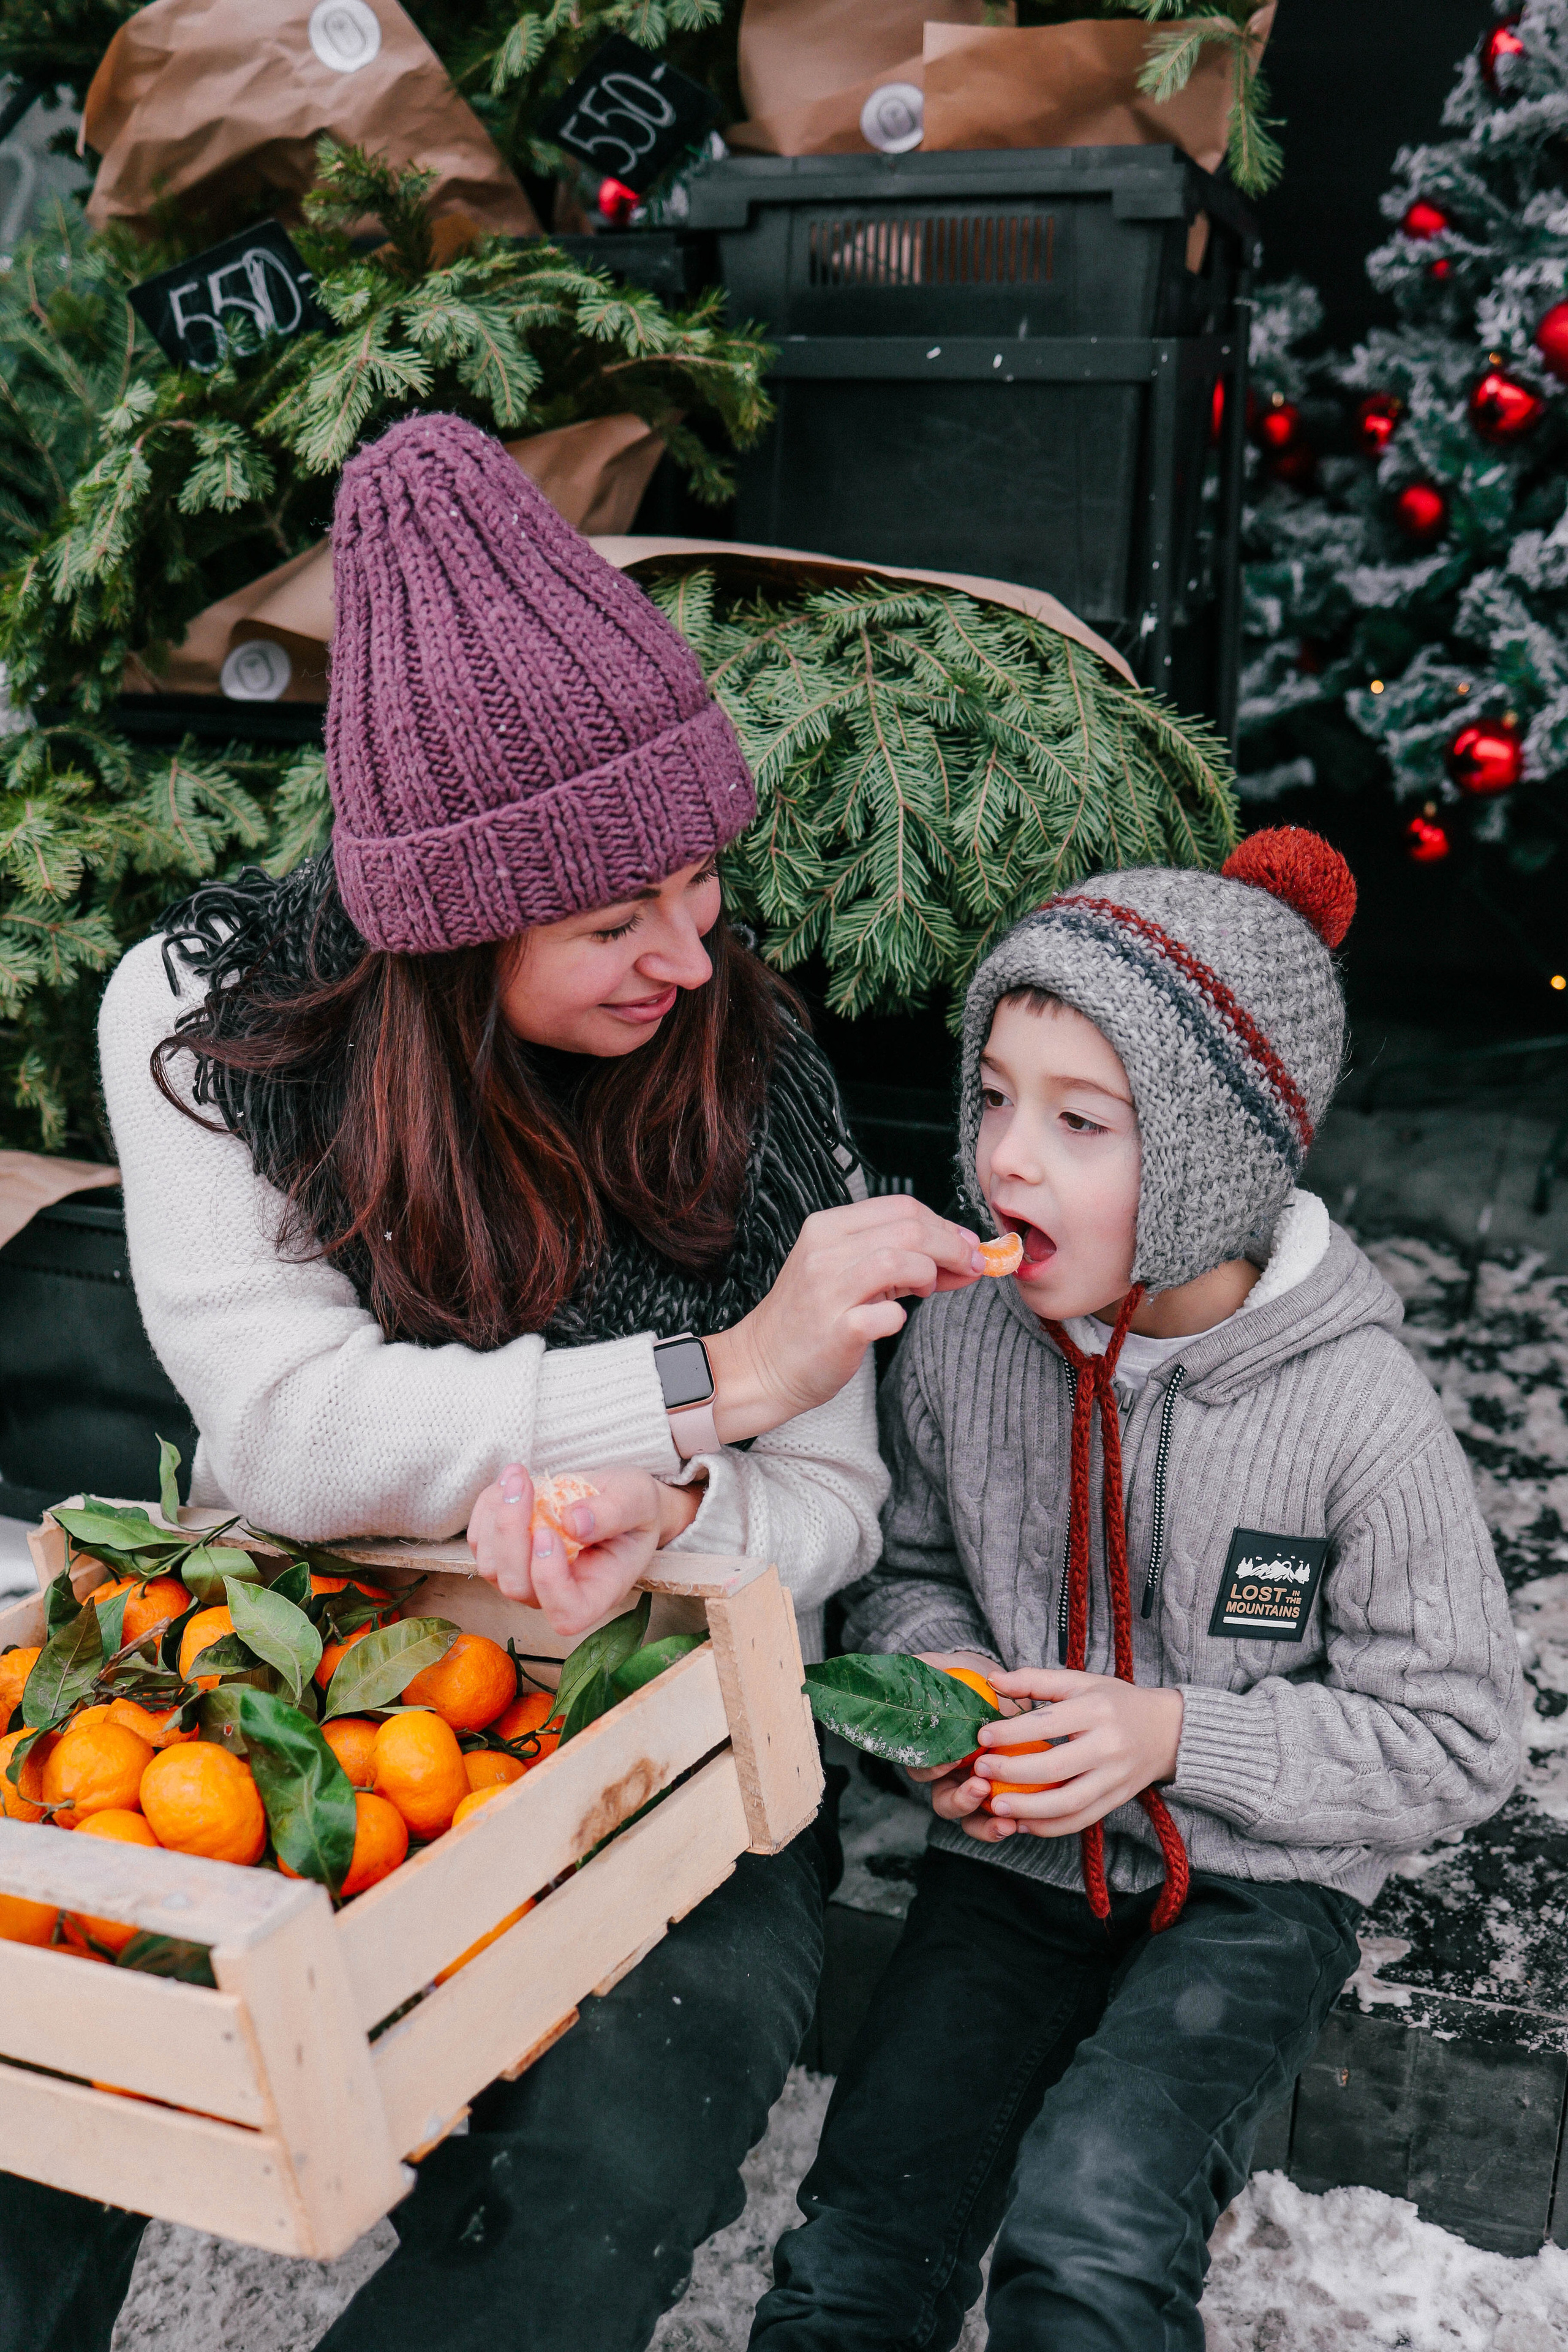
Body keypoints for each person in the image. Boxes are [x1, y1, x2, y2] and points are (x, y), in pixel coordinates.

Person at [0, 413, 989, 2352]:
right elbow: (291, 1437)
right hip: (289, 1658)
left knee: (634, 2123)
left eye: (700, 884)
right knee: (70, 2013)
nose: (686, 957)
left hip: (646, 1704)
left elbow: (834, 1508)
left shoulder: (750, 1068)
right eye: (614, 921)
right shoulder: (213, 1021)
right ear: (446, 937)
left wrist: (672, 1499)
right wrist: (712, 1374)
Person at [749, 829, 1523, 2352]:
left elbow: (1455, 1737)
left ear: (1210, 1162)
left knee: (1090, 2235)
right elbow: (908, 1573)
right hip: (1019, 1867)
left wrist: (1174, 1737)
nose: (1004, 1158)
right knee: (857, 2248)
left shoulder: (1353, 1408)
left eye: (1078, 1122)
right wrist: (949, 1707)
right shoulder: (966, 1339)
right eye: (991, 1098)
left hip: (1253, 1887)